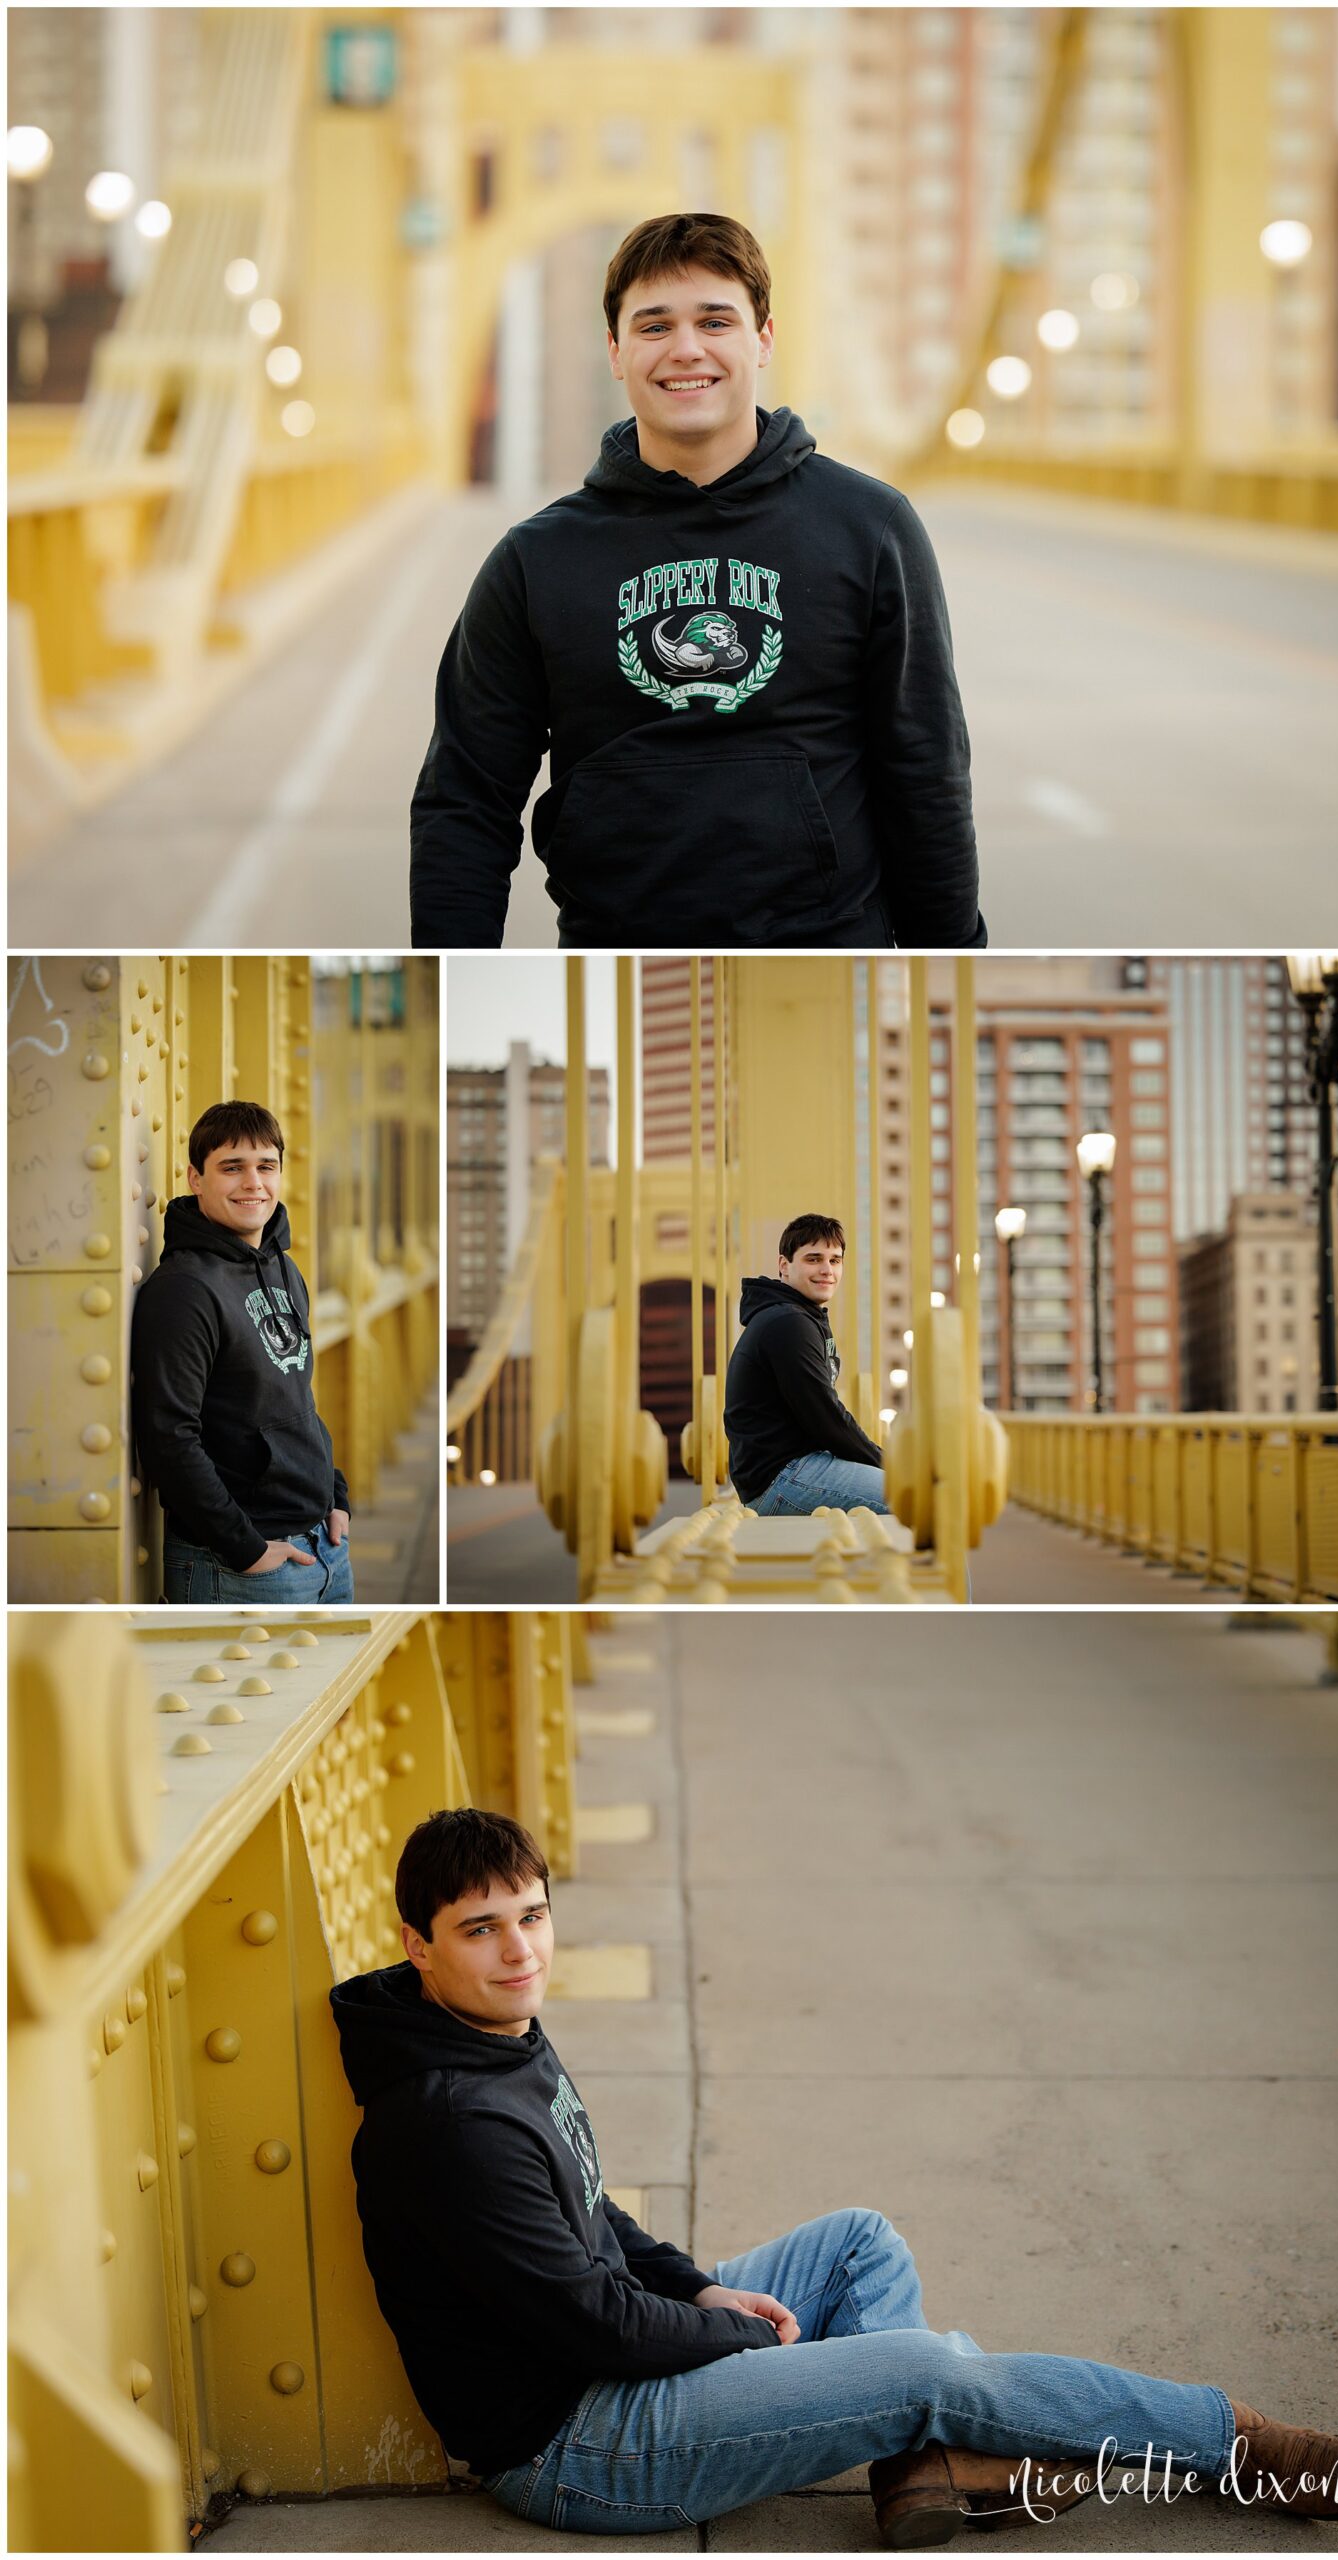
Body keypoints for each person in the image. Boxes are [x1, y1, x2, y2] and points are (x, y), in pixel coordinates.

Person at [330, 1808, 1338, 2546]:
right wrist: (748, 2335)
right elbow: (595, 2328)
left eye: (531, 1915)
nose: (519, 1950)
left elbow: (587, 2203)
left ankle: (924, 2470)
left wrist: (698, 2288)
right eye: (480, 1930)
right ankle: (1229, 2441)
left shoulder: (487, 2029)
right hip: (583, 2445)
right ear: (418, 1945)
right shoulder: (450, 2125)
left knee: (858, 2242)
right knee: (923, 2365)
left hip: (615, 2359)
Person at [411, 210, 985, 951]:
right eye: (654, 326)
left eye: (715, 321)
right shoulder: (534, 561)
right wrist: (456, 976)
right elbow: (465, 800)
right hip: (614, 962)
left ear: (763, 339)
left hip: (829, 959)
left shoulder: (869, 528)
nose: (686, 349)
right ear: (615, 352)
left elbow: (927, 775)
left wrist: (949, 973)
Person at [130, 1100, 353, 1604]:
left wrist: (335, 1495)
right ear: (196, 1178)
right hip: (241, 1568)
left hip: (326, 1546)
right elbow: (169, 1435)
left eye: (265, 1166)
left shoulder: (284, 1269)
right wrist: (245, 1549)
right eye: (232, 1167)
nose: (253, 1183)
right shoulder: (183, 1291)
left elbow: (295, 1397)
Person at [724, 1214, 889, 1516]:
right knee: (918, 1498)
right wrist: (886, 1462)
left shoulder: (798, 1316)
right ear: (784, 1265)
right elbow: (826, 1417)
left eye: (835, 1260)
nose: (827, 1270)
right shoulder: (788, 1323)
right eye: (814, 1259)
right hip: (784, 1475)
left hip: (789, 1469)